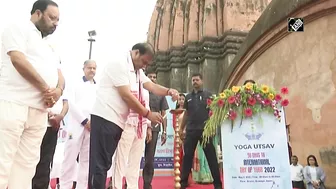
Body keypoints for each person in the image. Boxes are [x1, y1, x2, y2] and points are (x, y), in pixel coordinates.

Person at [88, 42, 179, 189]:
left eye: (147, 64)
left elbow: (152, 86)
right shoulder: (119, 65)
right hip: (105, 117)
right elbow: (126, 95)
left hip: (117, 121)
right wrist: (148, 114)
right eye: (144, 61)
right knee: (100, 165)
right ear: (136, 53)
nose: (144, 66)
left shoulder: (137, 71)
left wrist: (169, 91)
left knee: (105, 163)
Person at [0, 0, 64, 188]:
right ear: (37, 13)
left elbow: (60, 75)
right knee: (3, 162)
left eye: (58, 20)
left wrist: (57, 92)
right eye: (52, 18)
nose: (56, 23)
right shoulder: (17, 28)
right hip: (14, 104)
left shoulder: (50, 46)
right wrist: (45, 89)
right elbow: (18, 60)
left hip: (39, 111)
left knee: (26, 167)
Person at [179, 73, 222, 189]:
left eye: (197, 80)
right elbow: (186, 114)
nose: (195, 82)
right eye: (193, 80)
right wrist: (181, 129)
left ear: (202, 81)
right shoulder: (188, 97)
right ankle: (183, 183)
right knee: (187, 157)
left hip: (205, 131)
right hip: (191, 131)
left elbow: (214, 113)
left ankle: (218, 184)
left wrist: (212, 127)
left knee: (211, 157)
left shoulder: (209, 95)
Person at [60, 60, 97, 189]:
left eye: (94, 68)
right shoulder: (74, 83)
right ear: (84, 68)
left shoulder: (98, 87)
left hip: (92, 127)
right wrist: (84, 121)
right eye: (89, 68)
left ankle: (82, 186)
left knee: (86, 161)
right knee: (69, 157)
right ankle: (65, 186)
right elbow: (71, 103)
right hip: (75, 125)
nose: (92, 70)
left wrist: (93, 122)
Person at [113, 83, 151, 189]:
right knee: (121, 160)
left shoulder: (144, 87)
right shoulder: (125, 81)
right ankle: (117, 186)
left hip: (141, 125)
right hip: (127, 124)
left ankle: (132, 186)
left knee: (135, 161)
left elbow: (146, 106)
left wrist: (148, 126)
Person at [142, 70, 169, 189]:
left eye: (154, 77)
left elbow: (164, 114)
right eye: (150, 76)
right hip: (140, 126)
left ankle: (147, 184)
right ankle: (129, 183)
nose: (152, 78)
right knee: (133, 156)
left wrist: (164, 131)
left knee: (149, 158)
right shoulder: (141, 91)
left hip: (154, 129)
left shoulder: (160, 94)